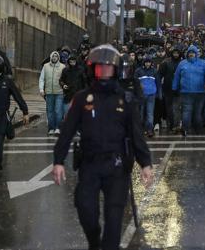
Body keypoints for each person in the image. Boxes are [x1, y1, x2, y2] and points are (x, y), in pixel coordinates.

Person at [52, 44, 154, 250]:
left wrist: (145, 163)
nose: (104, 71)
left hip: (117, 166)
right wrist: (58, 161)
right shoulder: (82, 99)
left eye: (108, 68)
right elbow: (67, 131)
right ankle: (94, 240)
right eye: (100, 67)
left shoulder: (126, 99)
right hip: (90, 163)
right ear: (93, 69)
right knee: (85, 208)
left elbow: (136, 134)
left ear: (116, 70)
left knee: (114, 218)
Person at [172, 45, 205, 137]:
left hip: (200, 92)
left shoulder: (202, 63)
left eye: (193, 53)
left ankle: (196, 128)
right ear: (187, 54)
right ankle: (187, 129)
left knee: (197, 112)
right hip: (186, 92)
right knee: (187, 111)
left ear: (196, 54)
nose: (191, 54)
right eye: (190, 52)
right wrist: (174, 88)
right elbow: (176, 76)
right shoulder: (182, 63)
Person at [39, 51, 66, 135]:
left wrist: (65, 86)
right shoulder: (45, 66)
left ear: (58, 58)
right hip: (49, 92)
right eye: (53, 56)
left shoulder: (63, 67)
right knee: (50, 111)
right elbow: (42, 78)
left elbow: (65, 78)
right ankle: (51, 128)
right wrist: (41, 89)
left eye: (56, 56)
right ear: (51, 57)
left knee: (58, 111)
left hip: (59, 92)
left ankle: (58, 127)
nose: (54, 58)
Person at [157, 45, 183, 133]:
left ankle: (175, 125)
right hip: (167, 88)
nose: (176, 54)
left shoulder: (182, 62)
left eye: (177, 53)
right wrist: (159, 86)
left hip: (179, 89)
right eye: (174, 53)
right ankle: (172, 125)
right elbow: (159, 74)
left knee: (176, 108)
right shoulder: (166, 62)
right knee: (169, 108)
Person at [135, 55, 159, 137]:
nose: (147, 64)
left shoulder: (154, 71)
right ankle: (141, 129)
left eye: (149, 62)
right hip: (141, 95)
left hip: (151, 95)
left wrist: (159, 93)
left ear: (151, 63)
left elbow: (158, 83)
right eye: (146, 62)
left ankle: (149, 130)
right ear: (144, 63)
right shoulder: (138, 71)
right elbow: (135, 83)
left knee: (149, 113)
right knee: (141, 113)